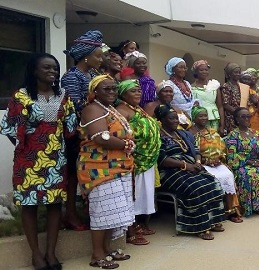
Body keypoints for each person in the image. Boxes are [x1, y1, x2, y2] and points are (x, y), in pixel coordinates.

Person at [0, 53, 76, 270]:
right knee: (29, 205)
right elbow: (10, 128)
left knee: (54, 204)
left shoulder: (63, 95)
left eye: (54, 68)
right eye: (46, 68)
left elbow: (70, 129)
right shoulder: (20, 97)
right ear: (34, 71)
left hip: (56, 159)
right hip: (28, 161)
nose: (52, 72)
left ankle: (51, 253)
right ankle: (36, 254)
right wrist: (29, 146)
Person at [78, 75, 135, 269]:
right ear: (94, 92)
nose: (112, 92)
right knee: (102, 212)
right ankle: (97, 255)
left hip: (119, 166)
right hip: (99, 169)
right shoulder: (92, 109)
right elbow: (100, 137)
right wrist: (126, 144)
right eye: (106, 89)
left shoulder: (109, 109)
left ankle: (108, 249)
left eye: (113, 88)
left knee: (114, 212)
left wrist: (125, 145)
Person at [155, 104, 227, 239]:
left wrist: (198, 162)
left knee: (213, 182)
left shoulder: (183, 134)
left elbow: (196, 150)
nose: (176, 121)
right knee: (195, 188)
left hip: (192, 165)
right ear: (162, 120)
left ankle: (214, 220)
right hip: (170, 171)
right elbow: (162, 160)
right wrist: (185, 165)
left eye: (176, 118)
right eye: (172, 119)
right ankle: (200, 227)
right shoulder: (158, 137)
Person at [61, 29, 104, 231]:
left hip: (93, 131)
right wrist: (93, 101)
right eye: (98, 55)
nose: (101, 59)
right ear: (85, 57)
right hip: (76, 134)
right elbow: (74, 106)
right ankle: (70, 214)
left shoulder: (94, 74)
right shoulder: (72, 77)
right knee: (72, 175)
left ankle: (90, 213)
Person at [115, 80, 161, 245]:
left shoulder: (136, 108)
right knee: (134, 196)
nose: (138, 93)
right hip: (136, 160)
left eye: (139, 91)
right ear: (123, 94)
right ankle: (130, 231)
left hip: (147, 160)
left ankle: (140, 224)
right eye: (133, 91)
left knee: (143, 195)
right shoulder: (121, 110)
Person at [189, 106, 243, 223]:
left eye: (205, 115)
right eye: (200, 116)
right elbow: (191, 151)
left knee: (228, 175)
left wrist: (219, 159)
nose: (204, 118)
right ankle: (214, 212)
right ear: (194, 117)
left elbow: (222, 147)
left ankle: (231, 210)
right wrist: (204, 161)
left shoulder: (212, 131)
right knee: (214, 179)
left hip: (217, 162)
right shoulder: (189, 133)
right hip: (200, 163)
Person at [225, 107, 259, 216]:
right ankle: (249, 206)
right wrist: (250, 162)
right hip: (241, 165)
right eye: (243, 116)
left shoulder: (255, 133)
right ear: (237, 119)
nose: (246, 118)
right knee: (250, 174)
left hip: (256, 163)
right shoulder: (233, 135)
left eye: (248, 116)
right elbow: (232, 157)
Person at [219, 63, 251, 136]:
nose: (238, 74)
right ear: (230, 74)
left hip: (242, 116)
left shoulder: (241, 86)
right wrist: (238, 113)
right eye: (235, 72)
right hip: (231, 117)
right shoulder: (226, 86)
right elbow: (226, 104)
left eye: (239, 72)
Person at [191, 60, 221, 130]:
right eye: (201, 70)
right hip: (198, 119)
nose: (204, 72)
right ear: (196, 72)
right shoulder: (191, 87)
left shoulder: (214, 85)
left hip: (213, 118)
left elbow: (220, 106)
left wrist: (222, 124)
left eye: (206, 70)